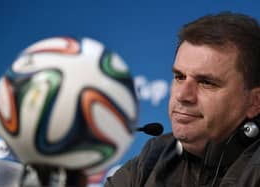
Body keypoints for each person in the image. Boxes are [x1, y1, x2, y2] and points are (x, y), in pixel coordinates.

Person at [105, 11, 260, 187]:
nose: (182, 95)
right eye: (179, 77)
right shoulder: (154, 158)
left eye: (206, 83)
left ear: (254, 102)